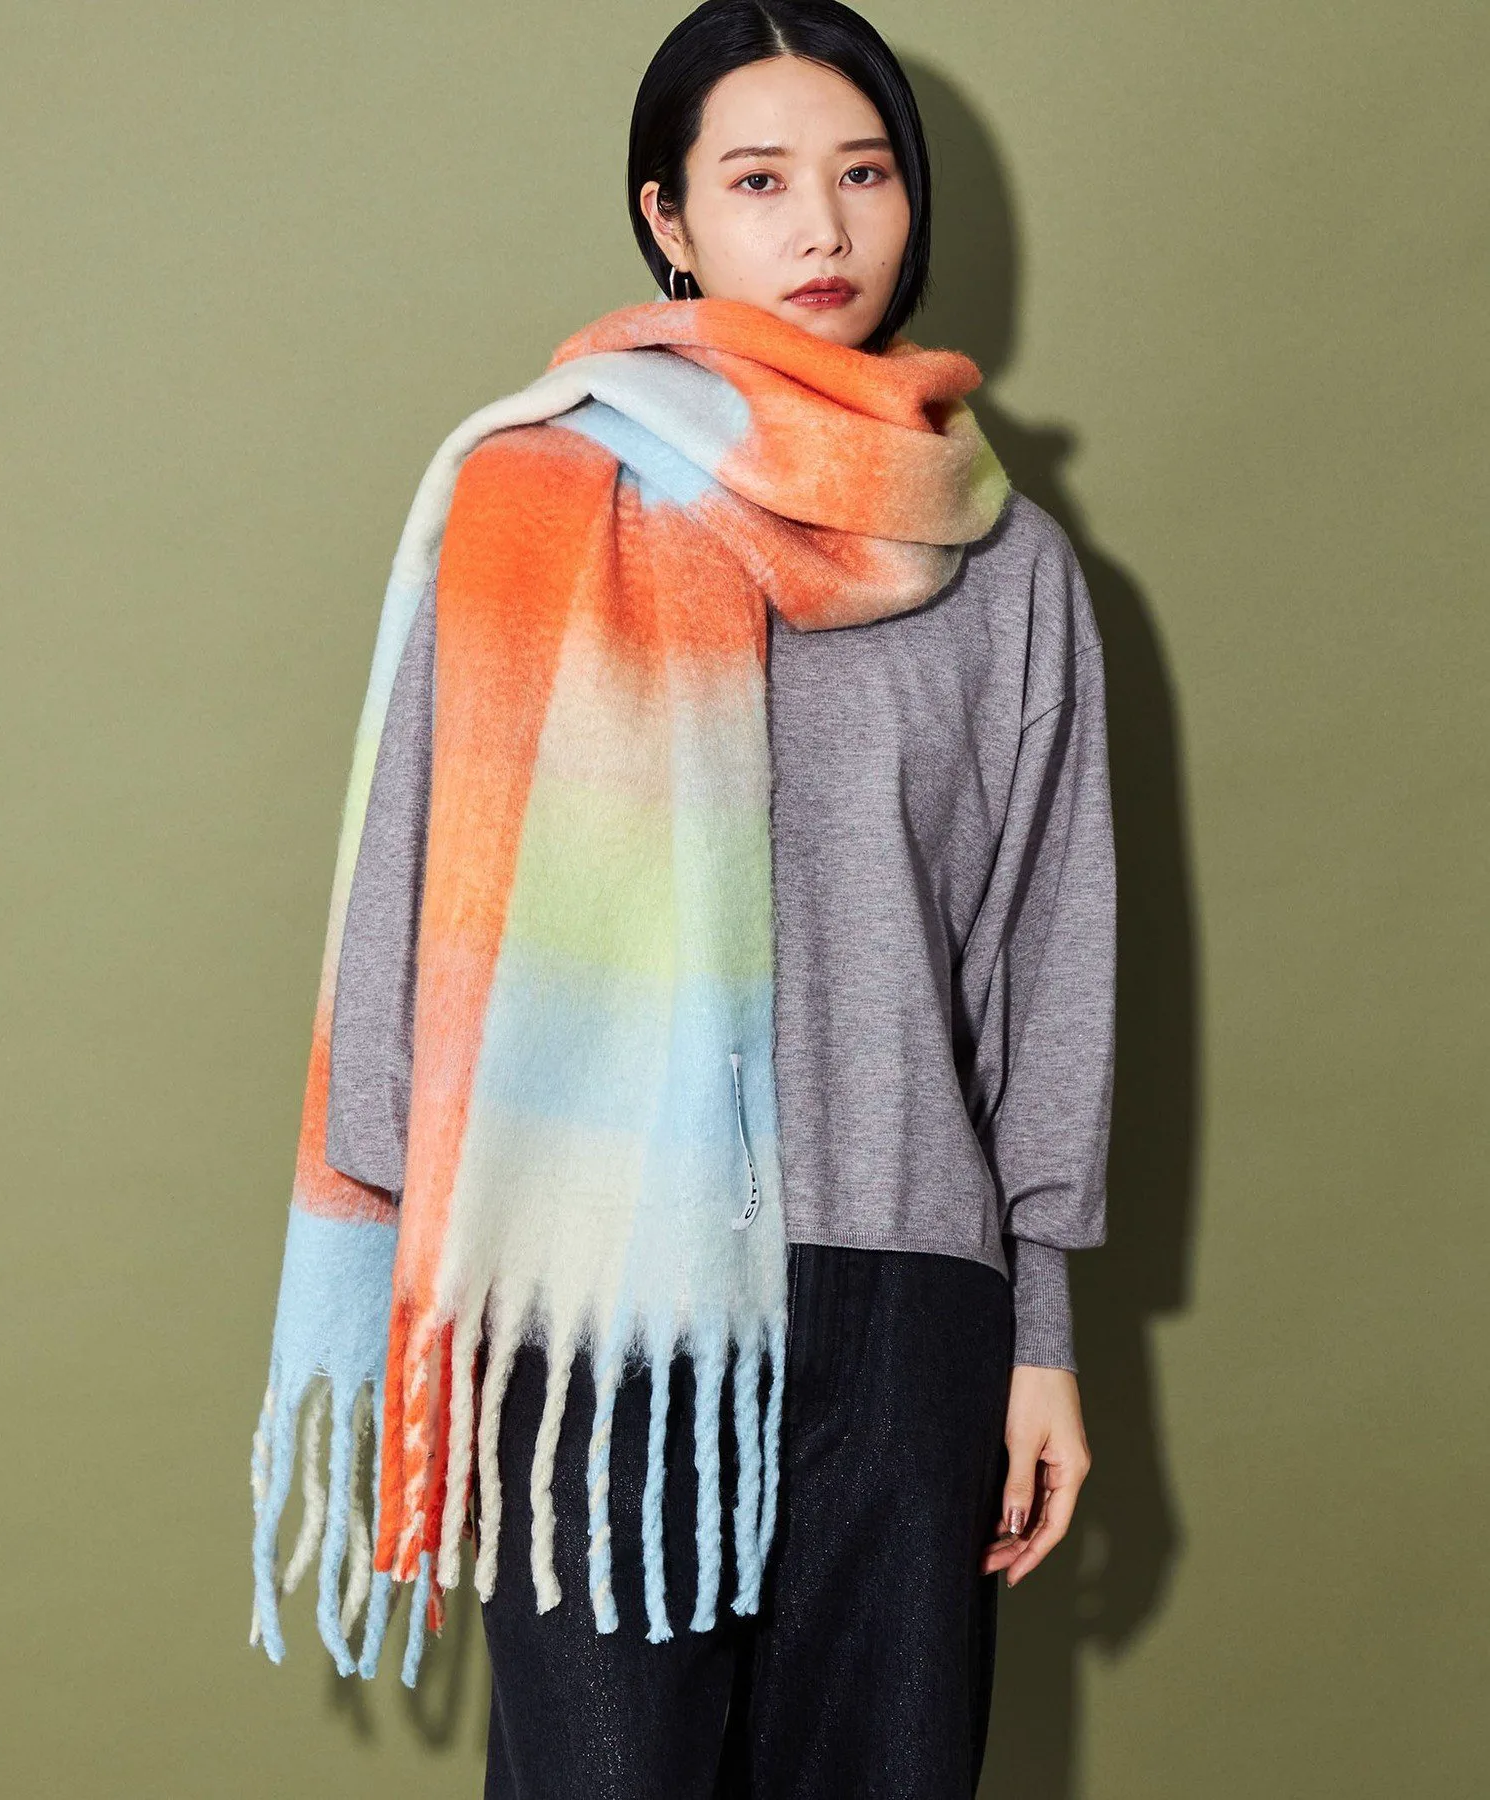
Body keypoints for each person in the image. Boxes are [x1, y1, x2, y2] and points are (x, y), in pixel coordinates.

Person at [317, 3, 1114, 1793]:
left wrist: (1041, 1337)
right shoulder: (532, 504)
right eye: (758, 181)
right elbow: (412, 912)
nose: (822, 227)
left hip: (906, 1306)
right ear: (668, 217)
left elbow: (1038, 958)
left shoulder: (1007, 562)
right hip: (593, 1292)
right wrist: (414, 1289)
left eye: (864, 173)